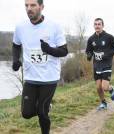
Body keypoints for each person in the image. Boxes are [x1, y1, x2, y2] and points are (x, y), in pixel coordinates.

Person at [12, 0, 68, 133]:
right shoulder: (20, 27)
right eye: (26, 5)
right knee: (26, 113)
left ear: (41, 7)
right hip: (31, 76)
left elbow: (64, 51)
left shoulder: (54, 26)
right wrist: (15, 60)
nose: (29, 8)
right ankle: (46, 107)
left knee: (42, 112)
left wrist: (49, 49)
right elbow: (16, 45)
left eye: (33, 5)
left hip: (49, 77)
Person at [86, 18, 114, 110]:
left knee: (104, 87)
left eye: (99, 24)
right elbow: (88, 50)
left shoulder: (109, 37)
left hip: (106, 64)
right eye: (95, 24)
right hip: (96, 65)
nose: (97, 26)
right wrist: (89, 55)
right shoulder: (91, 39)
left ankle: (111, 89)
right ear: (94, 26)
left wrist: (107, 55)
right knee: (98, 87)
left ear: (102, 26)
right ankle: (103, 103)